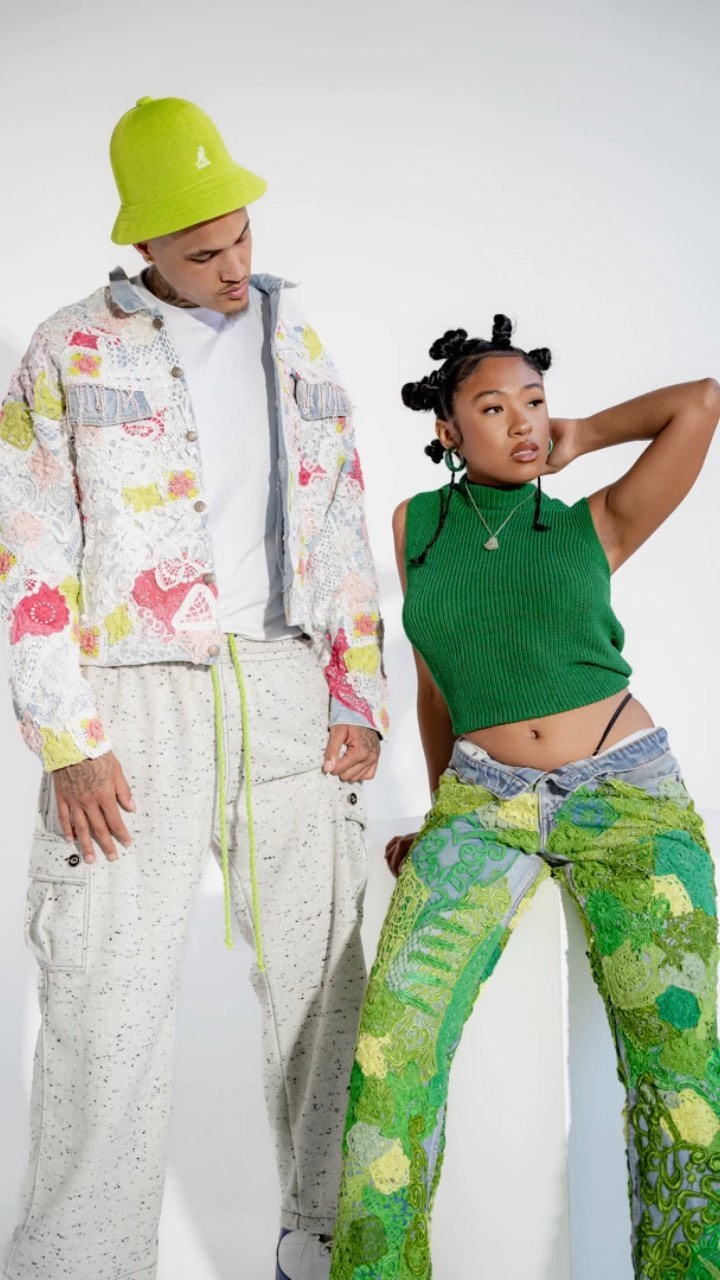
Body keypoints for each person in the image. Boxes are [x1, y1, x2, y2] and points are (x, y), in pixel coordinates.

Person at [0, 95, 387, 1280]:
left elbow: (340, 517)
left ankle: (323, 1243)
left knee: (328, 991)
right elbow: (27, 545)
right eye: (202, 249)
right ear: (144, 244)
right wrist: (68, 736)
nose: (231, 267)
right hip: (131, 692)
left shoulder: (296, 341)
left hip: (283, 681)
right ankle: (81, 1261)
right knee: (104, 999)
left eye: (241, 236)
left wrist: (356, 691)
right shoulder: (69, 348)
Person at [329, 316, 720, 1279]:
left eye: (535, 404)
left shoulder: (596, 520)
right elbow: (434, 689)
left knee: (683, 1081)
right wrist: (440, 813)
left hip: (627, 797)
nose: (523, 424)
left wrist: (583, 435)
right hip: (484, 801)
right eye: (494, 408)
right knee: (393, 1052)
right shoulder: (417, 526)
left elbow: (701, 403)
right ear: (448, 431)